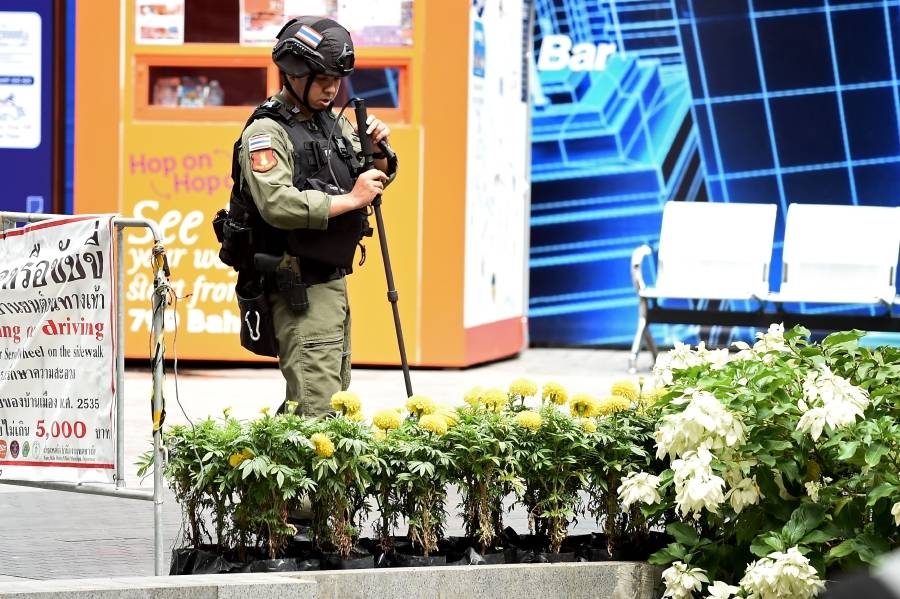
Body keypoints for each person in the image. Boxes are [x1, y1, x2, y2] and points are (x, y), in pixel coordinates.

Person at [233, 16, 397, 416]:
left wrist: (378, 147)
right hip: (298, 285)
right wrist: (349, 201)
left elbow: (370, 179)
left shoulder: (328, 123)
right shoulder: (266, 133)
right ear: (294, 73)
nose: (331, 89)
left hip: (331, 282)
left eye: (337, 80)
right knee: (318, 410)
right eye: (322, 79)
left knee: (330, 399)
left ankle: (271, 473)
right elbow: (278, 204)